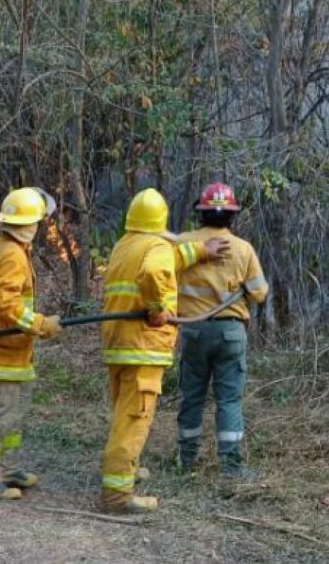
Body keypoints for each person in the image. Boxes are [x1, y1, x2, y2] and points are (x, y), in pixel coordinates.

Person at [98, 188, 229, 513]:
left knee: (123, 415)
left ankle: (125, 468)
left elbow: (166, 261)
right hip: (143, 345)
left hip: (120, 344)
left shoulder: (126, 245)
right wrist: (158, 309)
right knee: (134, 419)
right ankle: (117, 495)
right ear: (160, 223)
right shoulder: (155, 245)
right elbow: (156, 270)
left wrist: (200, 250)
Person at [0, 188, 64, 500]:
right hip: (1, 353)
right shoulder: (11, 254)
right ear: (31, 224)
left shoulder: (5, 246)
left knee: (12, 416)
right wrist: (40, 324)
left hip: (13, 352)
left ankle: (6, 470)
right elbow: (5, 306)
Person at [176, 183, 268, 479]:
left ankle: (186, 461)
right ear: (232, 216)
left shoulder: (182, 244)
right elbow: (259, 294)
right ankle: (232, 466)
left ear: (200, 213)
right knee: (228, 399)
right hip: (230, 333)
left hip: (193, 330)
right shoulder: (243, 249)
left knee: (192, 396)